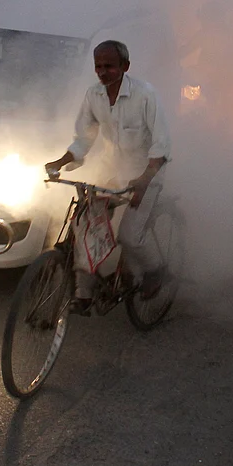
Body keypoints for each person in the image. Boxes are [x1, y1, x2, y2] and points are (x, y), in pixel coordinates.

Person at [45, 40, 171, 313]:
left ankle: (156, 270)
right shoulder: (94, 95)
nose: (102, 72)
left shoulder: (145, 95)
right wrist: (61, 161)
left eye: (109, 66)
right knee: (85, 223)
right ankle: (83, 294)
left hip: (146, 173)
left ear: (125, 67)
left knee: (129, 235)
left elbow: (161, 147)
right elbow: (83, 139)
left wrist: (143, 182)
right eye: (98, 66)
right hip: (113, 173)